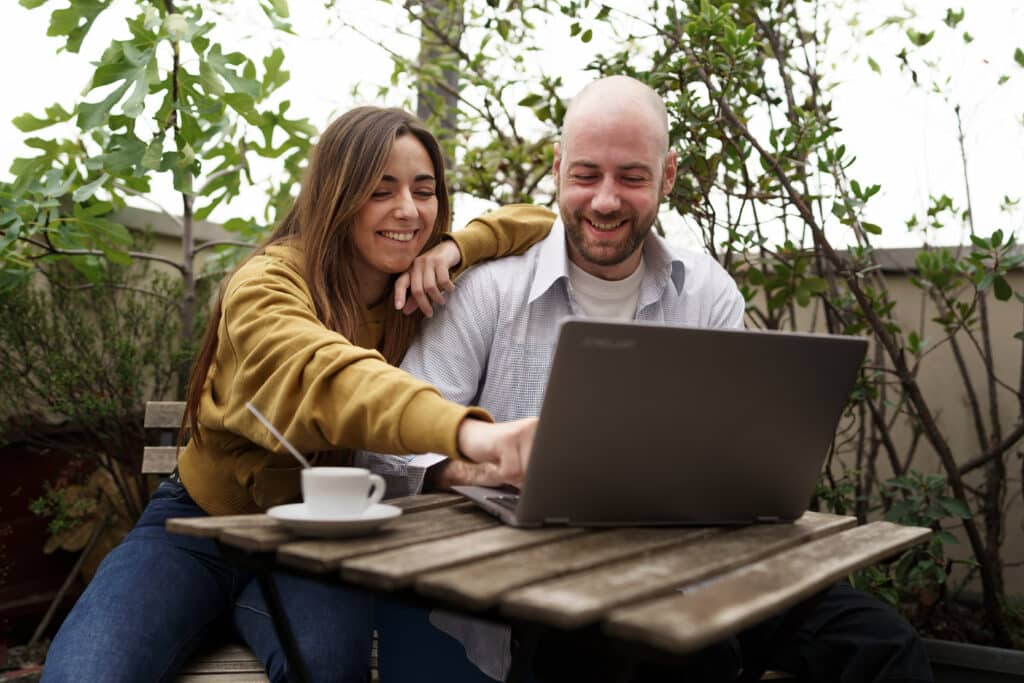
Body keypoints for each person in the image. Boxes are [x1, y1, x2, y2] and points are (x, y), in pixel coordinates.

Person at [365, 76, 934, 682]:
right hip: (547, 587)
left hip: (703, 565)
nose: (606, 200)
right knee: (682, 654)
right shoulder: (488, 289)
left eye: (632, 178)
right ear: (558, 169)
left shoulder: (707, 289)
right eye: (586, 175)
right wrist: (490, 467)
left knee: (883, 645)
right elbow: (387, 452)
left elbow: (736, 449)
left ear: (666, 178)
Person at [41, 106, 554, 683]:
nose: (408, 210)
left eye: (424, 190)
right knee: (87, 673)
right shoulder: (267, 283)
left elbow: (537, 219)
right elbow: (325, 374)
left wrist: (456, 248)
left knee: (329, 668)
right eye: (380, 190)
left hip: (318, 536)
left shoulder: (416, 287)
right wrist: (471, 433)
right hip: (197, 528)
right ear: (336, 192)